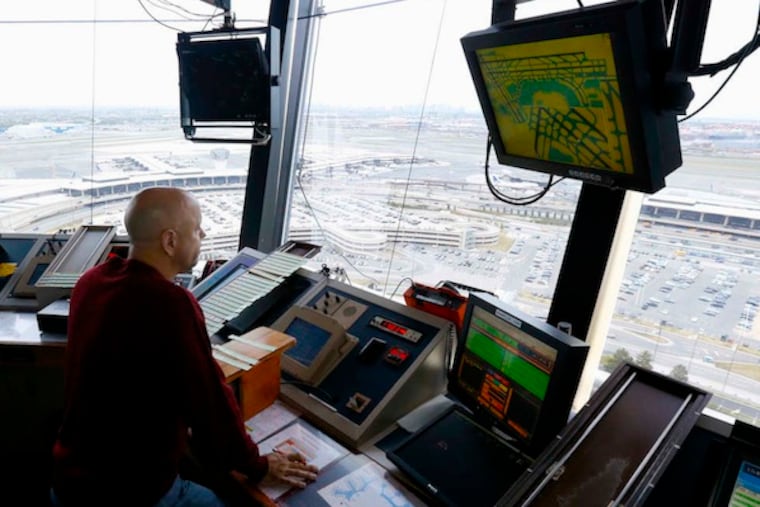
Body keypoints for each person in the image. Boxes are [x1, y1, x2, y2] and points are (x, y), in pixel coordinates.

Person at [51, 188, 318, 506]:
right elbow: (210, 403)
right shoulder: (171, 303)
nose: (203, 233)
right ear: (170, 241)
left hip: (71, 480)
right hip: (129, 490)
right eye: (196, 227)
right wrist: (257, 466)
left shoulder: (91, 282)